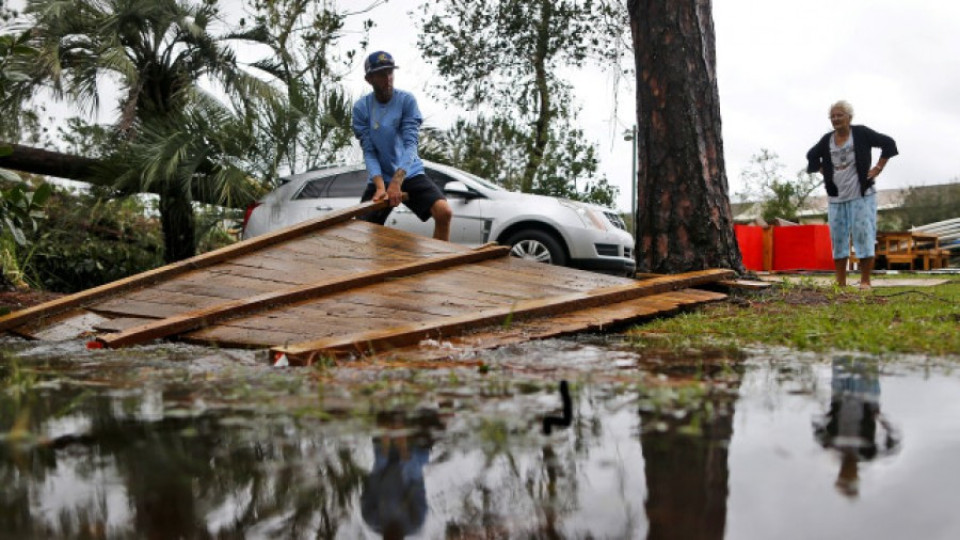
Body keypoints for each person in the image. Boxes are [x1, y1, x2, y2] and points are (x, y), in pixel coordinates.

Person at [352, 51, 453, 241]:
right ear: (369, 79)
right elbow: (369, 151)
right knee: (361, 229)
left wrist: (397, 181)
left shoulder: (406, 101)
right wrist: (381, 187)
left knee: (444, 212)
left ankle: (441, 264)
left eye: (390, 72)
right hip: (380, 177)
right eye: (382, 74)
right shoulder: (361, 108)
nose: (388, 78)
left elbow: (410, 145)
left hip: (409, 172)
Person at [806, 100, 898, 289]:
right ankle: (840, 283)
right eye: (832, 116)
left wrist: (878, 168)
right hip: (836, 197)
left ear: (849, 117)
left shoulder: (861, 133)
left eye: (839, 115)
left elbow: (888, 143)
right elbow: (812, 155)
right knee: (838, 239)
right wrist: (825, 172)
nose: (835, 119)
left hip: (861, 194)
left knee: (863, 236)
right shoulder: (827, 140)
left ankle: (865, 281)